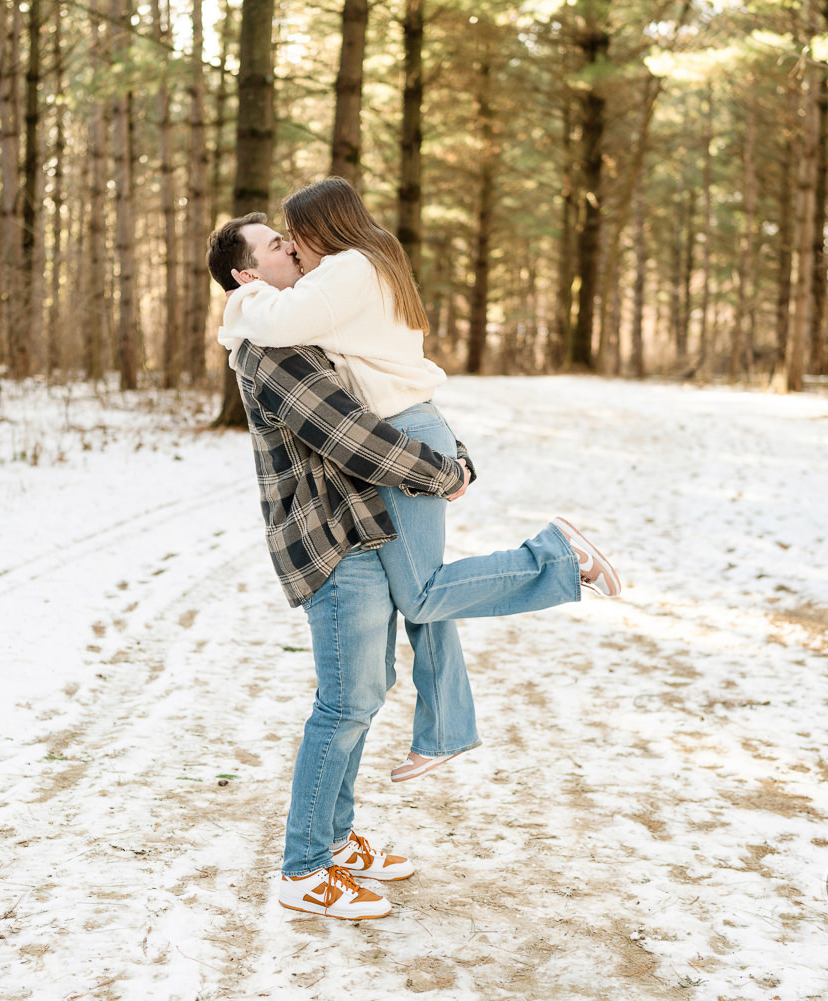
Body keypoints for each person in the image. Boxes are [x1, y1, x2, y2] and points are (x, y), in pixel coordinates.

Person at [206, 210, 619, 922]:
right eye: (276, 245)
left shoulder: (295, 328)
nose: (291, 247)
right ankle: (304, 868)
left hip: (360, 528)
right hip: (332, 542)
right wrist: (442, 472)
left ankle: (332, 840)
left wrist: (444, 460)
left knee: (364, 692)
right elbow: (353, 437)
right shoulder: (268, 350)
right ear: (247, 275)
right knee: (344, 701)